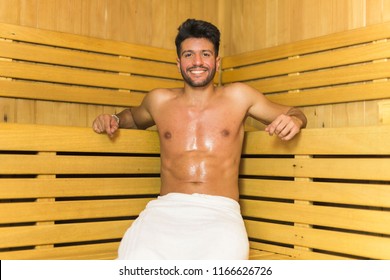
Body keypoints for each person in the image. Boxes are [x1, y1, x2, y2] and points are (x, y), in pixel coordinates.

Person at [92, 18, 307, 260]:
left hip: (220, 213)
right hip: (166, 210)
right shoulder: (159, 101)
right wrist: (113, 119)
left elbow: (293, 112)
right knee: (135, 260)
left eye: (205, 54)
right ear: (178, 62)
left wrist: (295, 121)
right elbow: (132, 116)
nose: (197, 62)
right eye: (188, 55)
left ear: (216, 61)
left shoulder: (239, 97)